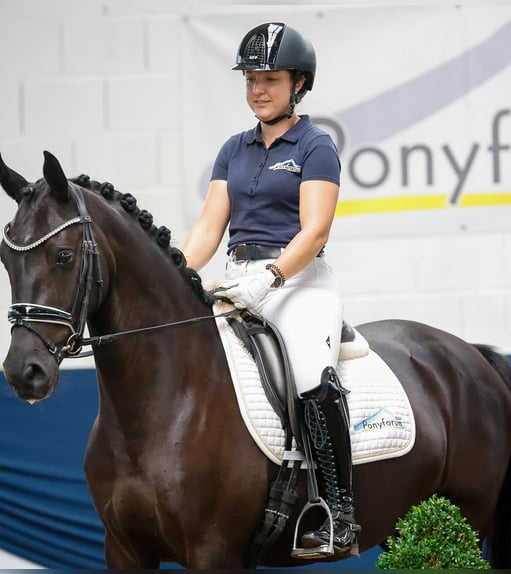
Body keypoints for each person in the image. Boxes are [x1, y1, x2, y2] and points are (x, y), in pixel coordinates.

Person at [181, 22, 360, 556]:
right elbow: (209, 229)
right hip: (237, 278)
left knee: (310, 371)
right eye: (251, 80)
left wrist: (273, 276)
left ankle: (338, 512)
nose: (258, 89)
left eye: (271, 79)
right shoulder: (232, 149)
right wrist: (181, 274)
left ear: (298, 84)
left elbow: (316, 230)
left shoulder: (315, 145)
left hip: (299, 280)